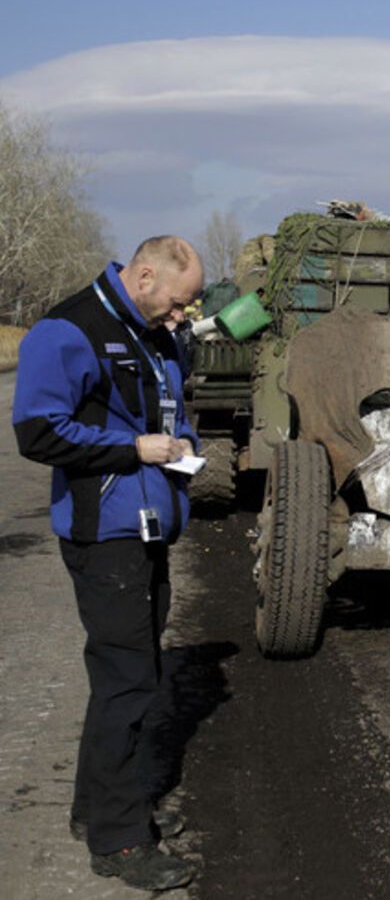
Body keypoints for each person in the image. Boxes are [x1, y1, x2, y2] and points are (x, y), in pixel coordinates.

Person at [12, 236, 204, 893]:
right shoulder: (69, 329)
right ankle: (120, 840)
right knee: (129, 681)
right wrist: (134, 448)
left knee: (130, 674)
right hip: (106, 535)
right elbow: (37, 431)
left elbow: (169, 412)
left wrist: (184, 447)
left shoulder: (154, 331)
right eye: (177, 305)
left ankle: (95, 809)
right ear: (143, 275)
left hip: (149, 527)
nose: (182, 318)